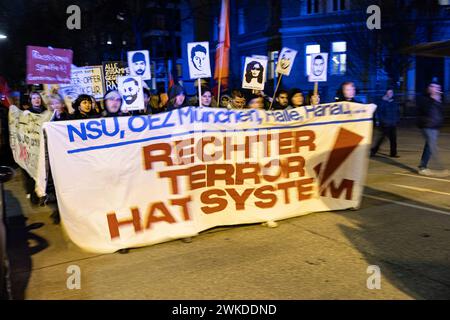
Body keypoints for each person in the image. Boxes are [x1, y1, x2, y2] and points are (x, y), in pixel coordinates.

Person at [417, 81, 448, 177]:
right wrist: (434, 99)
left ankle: (422, 167)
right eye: (435, 87)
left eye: (438, 87)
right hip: (427, 126)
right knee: (432, 146)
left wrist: (438, 100)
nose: (437, 89)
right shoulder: (425, 99)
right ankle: (438, 168)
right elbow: (425, 110)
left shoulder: (438, 100)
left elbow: (441, 112)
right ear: (430, 88)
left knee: (429, 146)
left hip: (435, 127)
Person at [370, 88, 400, 158]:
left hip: (393, 123)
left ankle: (393, 153)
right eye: (388, 93)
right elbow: (379, 112)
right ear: (386, 93)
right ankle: (373, 151)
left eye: (391, 93)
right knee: (382, 138)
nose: (390, 94)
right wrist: (382, 121)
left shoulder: (394, 102)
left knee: (393, 139)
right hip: (385, 124)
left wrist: (397, 119)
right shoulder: (382, 102)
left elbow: (398, 111)